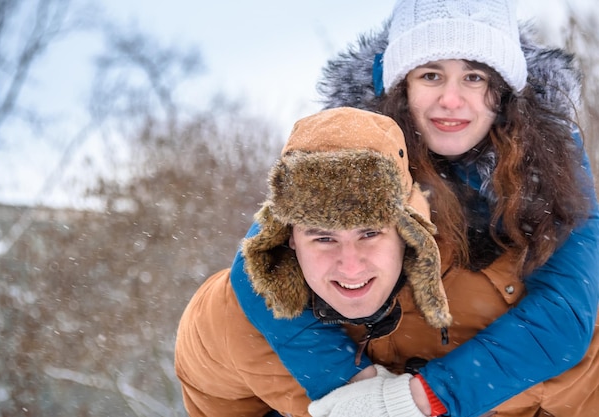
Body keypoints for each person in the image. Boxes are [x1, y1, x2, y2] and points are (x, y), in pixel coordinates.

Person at [228, 0, 599, 416]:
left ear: (504, 92)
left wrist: (424, 398)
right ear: (402, 85)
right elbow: (258, 265)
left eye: (474, 77)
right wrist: (356, 387)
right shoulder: (356, 139)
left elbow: (567, 311)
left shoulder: (551, 152)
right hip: (373, 350)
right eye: (431, 75)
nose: (452, 100)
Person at [175, 107, 453, 417]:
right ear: (288, 236)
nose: (351, 266)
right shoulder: (226, 318)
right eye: (324, 238)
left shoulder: (470, 282)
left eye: (370, 233)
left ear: (406, 231)